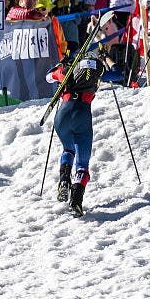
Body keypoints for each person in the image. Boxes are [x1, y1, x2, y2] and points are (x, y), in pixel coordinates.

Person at [46, 55, 107, 216]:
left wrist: (61, 65)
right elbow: (117, 75)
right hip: (82, 114)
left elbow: (48, 77)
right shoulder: (97, 73)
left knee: (68, 149)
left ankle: (64, 180)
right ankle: (76, 201)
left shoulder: (66, 71)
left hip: (62, 115)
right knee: (82, 164)